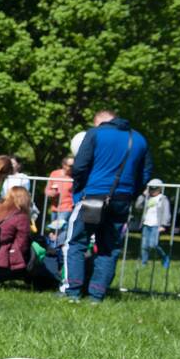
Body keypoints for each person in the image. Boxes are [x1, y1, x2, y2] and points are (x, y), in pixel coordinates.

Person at [61, 109, 153, 303]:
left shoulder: (95, 134)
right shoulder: (139, 139)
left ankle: (73, 292)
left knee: (75, 243)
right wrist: (129, 194)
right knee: (109, 248)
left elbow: (80, 166)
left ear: (100, 122)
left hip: (93, 197)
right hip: (122, 200)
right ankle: (97, 295)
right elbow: (145, 174)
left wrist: (79, 192)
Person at [135, 178, 172, 268]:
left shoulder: (163, 199)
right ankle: (144, 263)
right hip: (146, 224)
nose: (152, 190)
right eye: (151, 188)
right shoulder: (147, 198)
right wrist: (143, 196)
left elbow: (166, 212)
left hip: (156, 225)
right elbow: (138, 206)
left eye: (155, 188)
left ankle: (164, 257)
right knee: (144, 246)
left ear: (160, 188)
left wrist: (163, 225)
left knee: (153, 244)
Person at [44, 154, 74, 247]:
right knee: (53, 232)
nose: (73, 168)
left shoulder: (75, 176)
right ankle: (54, 253)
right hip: (55, 208)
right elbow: (47, 190)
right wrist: (51, 193)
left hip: (67, 208)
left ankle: (58, 250)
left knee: (60, 231)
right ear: (64, 165)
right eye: (71, 166)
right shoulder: (54, 174)